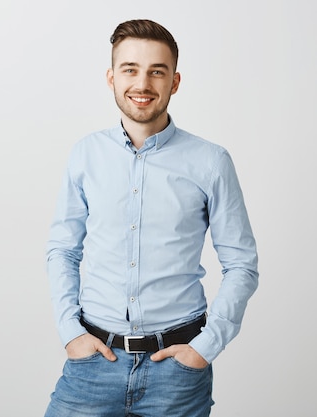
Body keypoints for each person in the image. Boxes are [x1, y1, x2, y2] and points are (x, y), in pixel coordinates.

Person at [44, 19, 258, 417]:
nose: (142, 84)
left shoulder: (211, 162)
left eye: (156, 71)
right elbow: (62, 250)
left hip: (177, 374)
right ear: (111, 77)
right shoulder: (85, 155)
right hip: (93, 363)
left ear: (174, 82)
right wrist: (70, 332)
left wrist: (204, 348)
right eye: (130, 69)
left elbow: (242, 264)